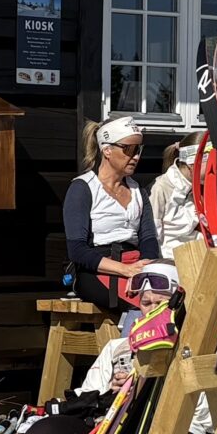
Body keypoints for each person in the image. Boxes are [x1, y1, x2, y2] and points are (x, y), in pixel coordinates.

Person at [12, 262, 200, 434]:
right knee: (44, 433)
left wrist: (151, 387)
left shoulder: (196, 350)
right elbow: (85, 398)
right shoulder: (118, 349)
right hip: (109, 426)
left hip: (175, 432)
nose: (151, 310)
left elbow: (202, 416)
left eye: (159, 303)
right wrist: (110, 391)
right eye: (145, 303)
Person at [62, 116, 161, 314]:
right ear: (107, 150)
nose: (136, 156)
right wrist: (125, 270)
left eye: (139, 149)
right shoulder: (83, 188)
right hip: (98, 269)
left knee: (176, 300)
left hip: (136, 266)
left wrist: (144, 266)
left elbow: (149, 238)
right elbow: (77, 250)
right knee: (146, 307)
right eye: (129, 149)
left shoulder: (137, 191)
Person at [150, 141, 201, 250]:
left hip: (195, 255)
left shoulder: (199, 187)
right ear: (192, 164)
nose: (215, 169)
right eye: (211, 163)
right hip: (168, 260)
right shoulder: (160, 187)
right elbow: (154, 235)